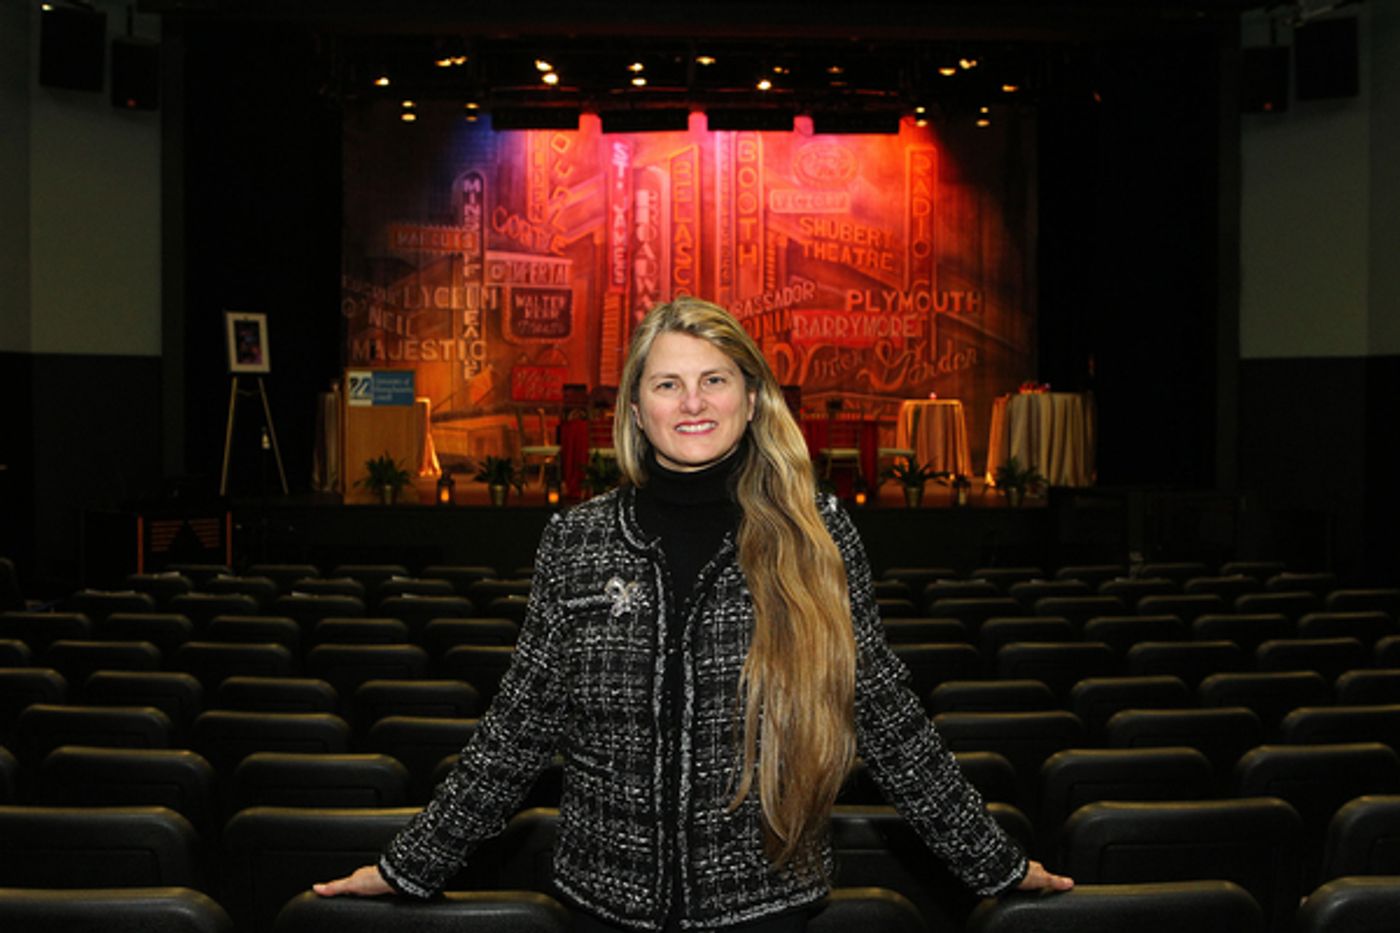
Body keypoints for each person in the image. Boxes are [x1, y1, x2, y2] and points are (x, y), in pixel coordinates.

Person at [315, 296, 1071, 929]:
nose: (693, 401)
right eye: (668, 384)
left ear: (750, 397)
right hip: (603, 905)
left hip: (767, 905)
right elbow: (519, 725)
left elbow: (880, 709)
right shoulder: (577, 538)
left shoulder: (817, 531)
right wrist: (409, 865)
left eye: (714, 379)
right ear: (637, 409)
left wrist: (994, 861)